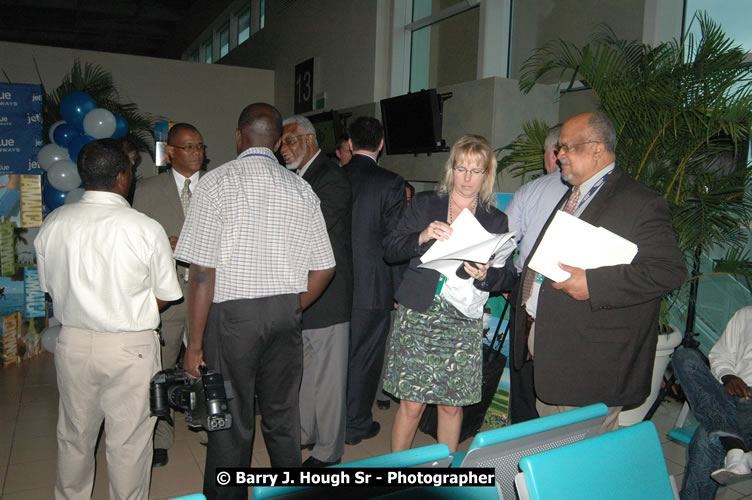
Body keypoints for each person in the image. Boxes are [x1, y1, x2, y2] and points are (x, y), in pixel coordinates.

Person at [174, 103, 335, 500]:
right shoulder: (301, 188)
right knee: (283, 417)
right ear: (278, 140)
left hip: (231, 319)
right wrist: (291, 305)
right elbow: (325, 268)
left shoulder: (214, 184)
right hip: (284, 313)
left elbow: (201, 274)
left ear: (237, 137)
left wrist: (194, 346)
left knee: (230, 421)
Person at [512, 111, 686, 432]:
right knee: (551, 443)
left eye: (567, 147)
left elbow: (669, 270)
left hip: (590, 362)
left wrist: (594, 283)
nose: (558, 154)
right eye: (559, 148)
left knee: (580, 454)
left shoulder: (640, 202)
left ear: (596, 148)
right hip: (554, 349)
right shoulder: (573, 193)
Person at [34, 138, 182, 500]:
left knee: (74, 437)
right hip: (129, 347)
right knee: (129, 442)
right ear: (123, 177)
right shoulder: (144, 228)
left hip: (74, 344)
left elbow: (49, 287)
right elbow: (165, 293)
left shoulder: (54, 222)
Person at [382, 135, 517, 452]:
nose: (467, 178)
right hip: (419, 312)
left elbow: (508, 274)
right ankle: (396, 474)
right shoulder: (427, 203)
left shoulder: (496, 219)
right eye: (462, 168)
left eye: (476, 170)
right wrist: (423, 234)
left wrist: (487, 274)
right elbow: (390, 249)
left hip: (462, 319)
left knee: (451, 406)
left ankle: (443, 477)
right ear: (451, 169)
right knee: (412, 405)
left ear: (487, 175)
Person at [280, 115, 353, 467]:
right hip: (303, 292)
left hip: (328, 294)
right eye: (281, 142)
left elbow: (314, 232)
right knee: (305, 373)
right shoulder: (299, 177)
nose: (284, 148)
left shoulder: (331, 177)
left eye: (290, 140)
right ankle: (306, 433)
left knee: (328, 379)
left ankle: (328, 451)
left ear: (309, 139)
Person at [132, 122, 206, 467]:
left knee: (207, 362)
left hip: (208, 292)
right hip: (168, 295)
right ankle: (160, 435)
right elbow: (134, 243)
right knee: (159, 368)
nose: (196, 153)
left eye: (200, 147)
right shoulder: (146, 190)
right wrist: (164, 245)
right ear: (170, 152)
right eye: (188, 147)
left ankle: (208, 424)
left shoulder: (217, 185)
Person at [343, 116, 406, 445]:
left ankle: (329, 422)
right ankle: (355, 424)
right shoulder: (391, 183)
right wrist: (397, 289)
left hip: (331, 286)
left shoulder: (331, 179)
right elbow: (395, 242)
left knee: (333, 358)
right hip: (373, 286)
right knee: (365, 359)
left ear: (350, 144)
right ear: (381, 144)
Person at [504, 124, 568, 424]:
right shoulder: (600, 192)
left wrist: (508, 283)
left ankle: (519, 446)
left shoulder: (532, 191)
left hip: (529, 291)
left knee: (523, 370)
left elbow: (502, 242)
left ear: (553, 154)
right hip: (575, 295)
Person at [673, 306, 752, 499]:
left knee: (706, 438)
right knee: (684, 357)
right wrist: (728, 376)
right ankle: (735, 447)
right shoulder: (746, 314)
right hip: (730, 395)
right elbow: (721, 356)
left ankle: (732, 444)